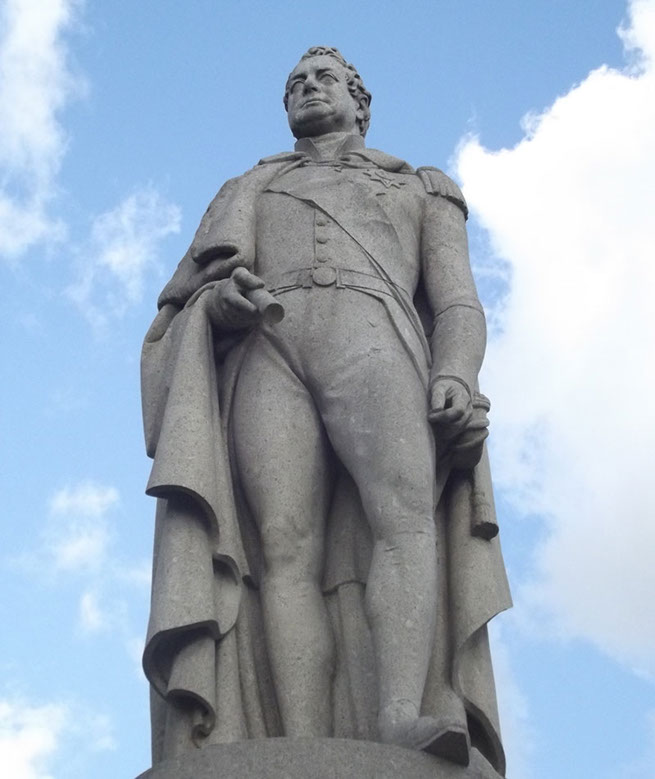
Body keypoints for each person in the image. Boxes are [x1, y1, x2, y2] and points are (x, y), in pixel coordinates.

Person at [141, 47, 511, 774]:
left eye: (323, 79)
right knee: (282, 548)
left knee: (403, 519)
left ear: (358, 102)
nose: (307, 89)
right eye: (294, 85)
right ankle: (298, 737)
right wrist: (219, 303)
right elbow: (188, 298)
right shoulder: (249, 187)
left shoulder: (420, 188)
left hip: (374, 337)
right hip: (268, 346)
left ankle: (399, 713)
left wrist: (454, 373)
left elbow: (457, 303)